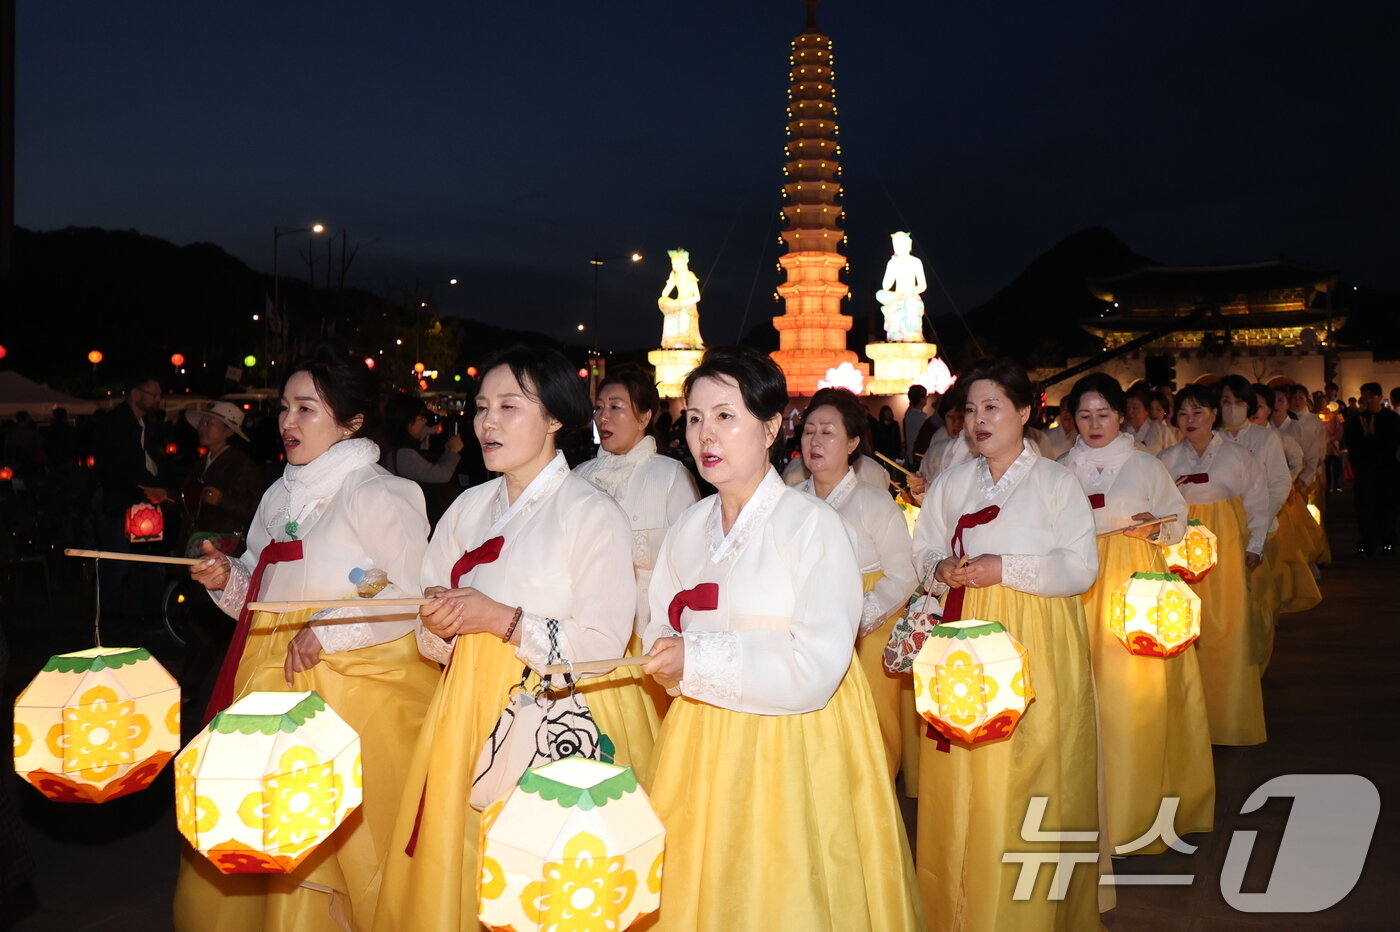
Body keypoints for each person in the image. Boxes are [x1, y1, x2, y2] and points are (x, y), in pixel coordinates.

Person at [641, 346, 922, 930]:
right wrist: (671, 652)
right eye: (694, 418)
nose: (704, 436)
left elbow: (818, 662)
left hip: (795, 740)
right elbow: (661, 621)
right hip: (702, 736)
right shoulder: (687, 529)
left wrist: (699, 656)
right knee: (705, 879)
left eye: (725, 416)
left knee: (784, 884)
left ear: (770, 427)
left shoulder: (813, 526)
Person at [375, 346, 655, 932]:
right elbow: (431, 624)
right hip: (465, 710)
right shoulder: (467, 508)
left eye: (509, 406)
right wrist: (439, 628)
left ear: (555, 417)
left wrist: (503, 620)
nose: (487, 422)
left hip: (555, 713)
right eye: (481, 408)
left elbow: (603, 644)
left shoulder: (590, 512)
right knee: (467, 861)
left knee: (541, 871)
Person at [174, 347, 440, 932]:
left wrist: (330, 628)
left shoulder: (379, 493)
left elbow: (410, 591)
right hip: (271, 678)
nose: (288, 422)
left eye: (307, 409)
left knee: (342, 845)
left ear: (352, 422)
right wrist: (227, 577)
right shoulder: (278, 493)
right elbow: (259, 591)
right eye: (284, 408)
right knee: (266, 825)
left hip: (357, 692)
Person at [911, 358, 1105, 931]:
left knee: (1031, 767)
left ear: (1025, 412)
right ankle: (959, 901)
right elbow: (921, 552)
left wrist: (1006, 568)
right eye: (970, 409)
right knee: (965, 773)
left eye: (992, 406)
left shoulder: (1055, 483)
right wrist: (941, 567)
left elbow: (1080, 569)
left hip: (1034, 636)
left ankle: (1033, 909)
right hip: (963, 639)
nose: (978, 419)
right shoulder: (951, 482)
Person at [1058, 374, 1212, 854]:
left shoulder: (1145, 465)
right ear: (1071, 420)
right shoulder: (1060, 469)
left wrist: (1158, 529)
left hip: (1134, 584)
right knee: (1083, 698)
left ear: (1122, 415)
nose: (1094, 424)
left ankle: (1138, 813)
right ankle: (1088, 812)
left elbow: (1177, 517)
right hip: (1077, 584)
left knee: (1134, 699)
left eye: (1104, 414)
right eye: (1084, 415)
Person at [795, 387, 917, 780]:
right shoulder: (789, 500)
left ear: (851, 442)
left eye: (827, 432)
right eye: (809, 430)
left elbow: (904, 572)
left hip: (869, 628)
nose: (815, 440)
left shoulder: (874, 502)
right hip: (805, 628)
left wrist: (858, 616)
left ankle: (875, 814)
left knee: (871, 727)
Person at [575, 365, 699, 711]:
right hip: (586, 623)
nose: (604, 417)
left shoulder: (670, 474)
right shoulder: (579, 476)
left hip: (645, 627)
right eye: (599, 407)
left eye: (616, 407)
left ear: (645, 416)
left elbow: (689, 560)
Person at [1158, 383, 1269, 746]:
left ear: (1213, 415)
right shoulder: (1167, 460)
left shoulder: (1238, 456)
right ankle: (1189, 723)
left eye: (1199, 412)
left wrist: (1255, 544)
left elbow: (1258, 502)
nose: (1191, 420)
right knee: (1184, 631)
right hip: (1178, 559)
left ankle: (1230, 720)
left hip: (1228, 557)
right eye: (1184, 413)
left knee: (1228, 631)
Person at [175, 401, 266, 719]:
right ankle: (203, 690)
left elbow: (257, 511)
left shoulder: (242, 465)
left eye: (211, 424)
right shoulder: (203, 463)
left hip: (227, 556)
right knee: (206, 623)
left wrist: (224, 501)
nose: (203, 428)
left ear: (228, 431)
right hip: (199, 549)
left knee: (206, 623)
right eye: (202, 423)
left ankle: (192, 690)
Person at [1217, 376, 1290, 669]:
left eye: (1238, 402)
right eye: (1225, 402)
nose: (1231, 409)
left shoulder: (1264, 438)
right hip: (1221, 532)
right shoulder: (1212, 438)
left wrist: (1260, 520)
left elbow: (1279, 482)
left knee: (1257, 600)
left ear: (1249, 406)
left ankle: (1255, 663)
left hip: (1259, 530)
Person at [92, 376, 172, 636]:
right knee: (117, 565)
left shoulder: (142, 424)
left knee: (150, 562)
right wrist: (145, 487)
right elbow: (119, 466)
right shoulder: (116, 423)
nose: (157, 399)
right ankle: (111, 624)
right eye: (154, 394)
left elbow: (147, 462)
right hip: (122, 503)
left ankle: (149, 615)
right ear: (136, 393)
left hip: (141, 502)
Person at [381, 392, 464, 526]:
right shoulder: (403, 455)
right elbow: (441, 474)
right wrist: (453, 451)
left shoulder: (396, 448)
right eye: (421, 418)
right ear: (408, 421)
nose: (425, 422)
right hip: (408, 522)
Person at [1344, 382, 1399, 555]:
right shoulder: (1357, 420)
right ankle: (1367, 542)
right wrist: (1366, 437)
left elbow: (1393, 445)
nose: (1367, 401)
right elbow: (1353, 446)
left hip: (1388, 472)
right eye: (1364, 397)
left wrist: (1374, 436)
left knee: (1387, 508)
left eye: (1371, 397)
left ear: (1379, 397)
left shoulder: (1393, 419)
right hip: (1366, 472)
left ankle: (1387, 541)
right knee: (1365, 508)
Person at [1125, 382, 1172, 454]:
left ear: (1146, 410)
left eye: (1135, 408)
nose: (1130, 412)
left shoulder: (1161, 430)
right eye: (1127, 408)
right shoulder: (1120, 430)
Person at [903, 383, 929, 467]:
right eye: (926, 396)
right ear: (922, 399)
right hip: (919, 458)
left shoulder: (909, 415)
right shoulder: (920, 417)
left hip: (911, 457)